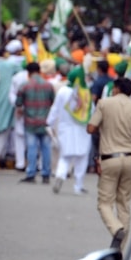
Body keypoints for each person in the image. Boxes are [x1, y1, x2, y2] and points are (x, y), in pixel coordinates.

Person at [87, 77, 131, 251]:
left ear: (115, 89)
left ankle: (117, 229)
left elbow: (91, 128)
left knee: (104, 203)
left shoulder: (104, 104)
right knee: (124, 204)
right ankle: (120, 254)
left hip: (110, 158)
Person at [46, 67, 91, 195]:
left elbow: (55, 108)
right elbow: (90, 111)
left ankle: (60, 175)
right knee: (81, 158)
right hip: (82, 129)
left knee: (65, 156)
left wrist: (49, 122)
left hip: (65, 128)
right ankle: (78, 186)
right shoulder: (85, 92)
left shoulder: (63, 91)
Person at [16, 62, 55, 183]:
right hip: (45, 122)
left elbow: (18, 104)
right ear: (39, 71)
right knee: (46, 148)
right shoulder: (48, 85)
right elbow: (53, 102)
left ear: (28, 72)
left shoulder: (24, 86)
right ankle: (46, 174)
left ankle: (31, 173)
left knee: (32, 148)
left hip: (30, 122)